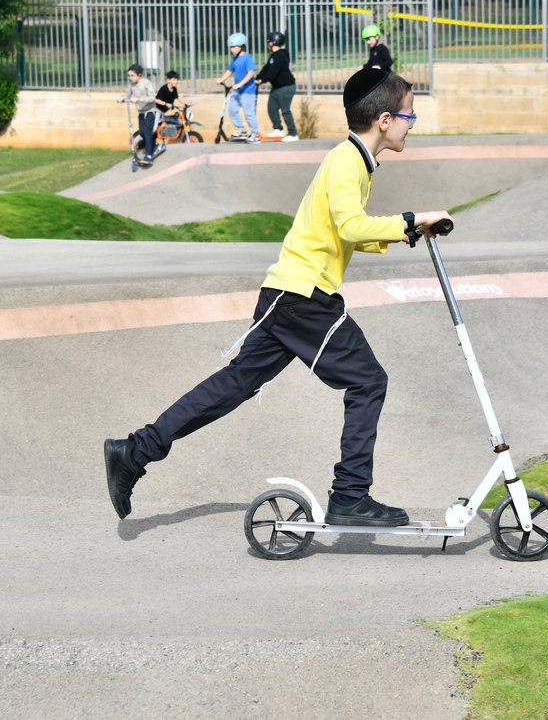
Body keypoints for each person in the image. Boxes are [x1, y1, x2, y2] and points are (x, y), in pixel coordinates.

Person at [103, 67, 452, 525]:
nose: (412, 125)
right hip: (305, 298)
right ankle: (350, 495)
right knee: (369, 382)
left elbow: (341, 232)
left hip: (287, 293)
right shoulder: (347, 161)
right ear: (384, 120)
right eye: (410, 116)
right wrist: (411, 218)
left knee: (233, 385)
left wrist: (402, 234)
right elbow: (351, 226)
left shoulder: (355, 161)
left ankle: (135, 451)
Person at [215, 32, 259, 141]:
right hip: (237, 91)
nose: (231, 49)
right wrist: (221, 79)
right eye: (230, 47)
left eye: (233, 47)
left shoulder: (247, 58)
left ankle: (255, 135)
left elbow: (251, 73)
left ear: (241, 46)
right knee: (232, 111)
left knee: (249, 114)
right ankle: (242, 131)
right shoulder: (234, 59)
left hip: (247, 91)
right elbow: (229, 71)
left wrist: (240, 84)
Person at [255, 31, 298, 141]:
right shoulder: (274, 56)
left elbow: (272, 72)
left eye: (268, 41)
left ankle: (293, 134)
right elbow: (266, 68)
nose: (267, 44)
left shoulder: (280, 55)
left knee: (285, 110)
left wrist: (262, 80)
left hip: (286, 86)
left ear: (272, 42)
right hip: (277, 87)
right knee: (271, 108)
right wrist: (257, 78)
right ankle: (278, 129)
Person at [119, 63, 162, 162]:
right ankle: (154, 144)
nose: (130, 78)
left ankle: (148, 156)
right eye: (129, 75)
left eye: (132, 75)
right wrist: (122, 99)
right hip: (141, 113)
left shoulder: (146, 83)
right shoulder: (131, 84)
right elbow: (127, 95)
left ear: (140, 75)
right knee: (142, 132)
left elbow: (152, 98)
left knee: (147, 133)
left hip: (150, 112)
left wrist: (139, 99)